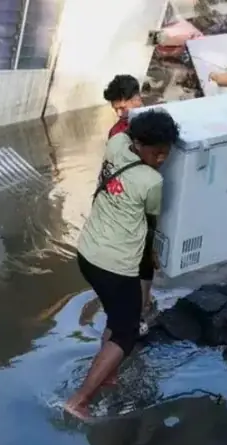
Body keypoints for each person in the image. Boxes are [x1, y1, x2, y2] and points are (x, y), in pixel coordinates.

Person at [67, 109, 180, 419]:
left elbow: (125, 127)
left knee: (116, 318)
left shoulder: (116, 143)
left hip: (88, 254)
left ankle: (109, 373)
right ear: (140, 143)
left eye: (165, 153)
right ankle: (79, 401)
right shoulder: (151, 181)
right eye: (156, 152)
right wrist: (152, 258)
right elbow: (150, 225)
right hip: (116, 265)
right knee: (127, 332)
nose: (161, 159)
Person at [103, 74, 158, 334]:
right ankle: (136, 308)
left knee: (146, 256)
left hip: (150, 198)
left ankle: (143, 305)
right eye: (116, 109)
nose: (120, 113)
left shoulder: (158, 121)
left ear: (138, 99)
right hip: (126, 203)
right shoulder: (117, 131)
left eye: (124, 107)